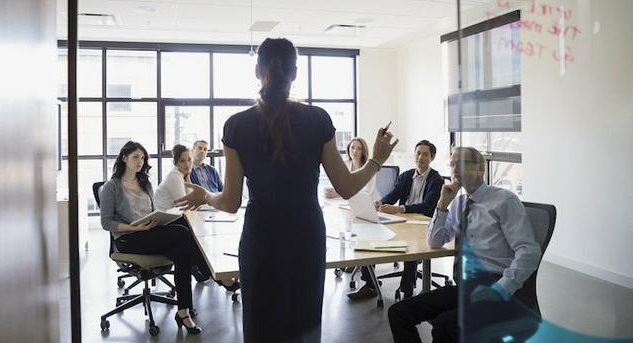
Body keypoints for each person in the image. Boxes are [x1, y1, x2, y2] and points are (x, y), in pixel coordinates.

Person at [174, 38, 397, 343]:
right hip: (306, 236)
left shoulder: (236, 126)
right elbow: (346, 187)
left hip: (261, 238)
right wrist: (376, 160)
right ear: (294, 72)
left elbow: (229, 202)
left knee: (261, 326)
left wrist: (205, 196)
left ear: (257, 71)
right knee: (304, 327)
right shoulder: (318, 119)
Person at [386, 147, 541, 343]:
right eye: (452, 164)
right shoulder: (458, 203)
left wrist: (501, 289)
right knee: (398, 312)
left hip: (495, 283)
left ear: (480, 169)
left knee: (444, 326)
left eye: (463, 163)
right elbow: (435, 241)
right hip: (465, 286)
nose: (455, 169)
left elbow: (529, 251)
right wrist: (442, 203)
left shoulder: (504, 200)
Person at [99, 141, 210, 335]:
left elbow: (152, 211)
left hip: (149, 233)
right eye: (135, 157)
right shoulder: (111, 187)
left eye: (143, 158)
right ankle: (208, 271)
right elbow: (106, 223)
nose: (140, 161)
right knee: (183, 233)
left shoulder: (145, 183)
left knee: (181, 246)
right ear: (124, 158)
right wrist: (134, 228)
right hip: (128, 239)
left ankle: (183, 311)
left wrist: (158, 219)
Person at [348, 140, 444, 301]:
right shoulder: (406, 176)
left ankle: (407, 292)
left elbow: (428, 207)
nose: (420, 157)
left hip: (424, 224)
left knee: (411, 248)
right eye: (418, 153)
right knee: (371, 237)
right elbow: (393, 195)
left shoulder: (436, 180)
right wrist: (381, 202)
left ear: (432, 157)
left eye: (425, 154)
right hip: (404, 222)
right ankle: (370, 284)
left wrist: (400, 209)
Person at [154, 144, 192, 211]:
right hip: (164, 218)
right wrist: (188, 180)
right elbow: (184, 205)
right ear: (176, 163)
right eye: (182, 161)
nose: (187, 164)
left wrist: (188, 178)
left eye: (189, 160)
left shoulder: (182, 175)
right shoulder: (174, 176)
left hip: (173, 215)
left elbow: (191, 200)